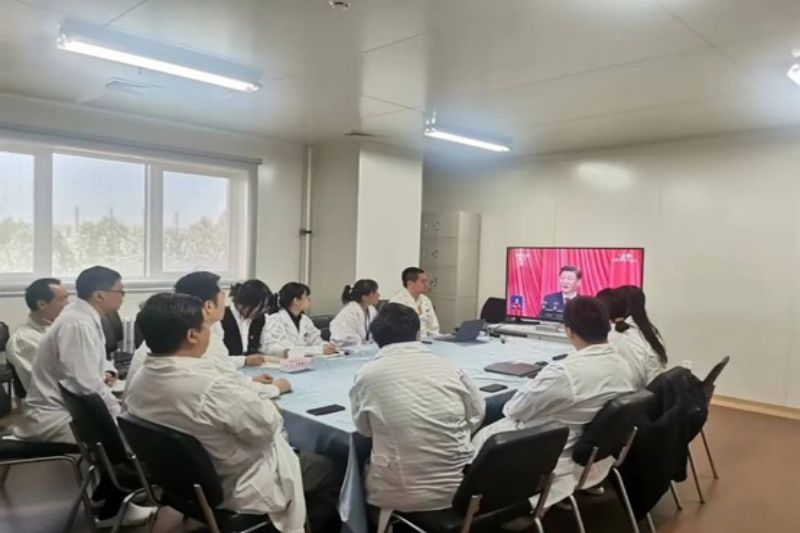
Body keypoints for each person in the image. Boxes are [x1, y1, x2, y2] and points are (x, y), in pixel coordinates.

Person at [126, 293, 342, 532]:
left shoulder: (141, 379)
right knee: (328, 467)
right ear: (192, 335)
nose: (210, 333)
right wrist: (268, 404)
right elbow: (266, 428)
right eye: (206, 326)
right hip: (235, 485)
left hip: (179, 483)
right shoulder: (209, 386)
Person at [11, 266, 154, 526]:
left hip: (67, 410)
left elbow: (94, 368)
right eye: (120, 291)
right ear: (100, 295)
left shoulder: (81, 317)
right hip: (54, 416)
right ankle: (114, 509)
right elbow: (86, 386)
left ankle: (106, 497)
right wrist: (119, 415)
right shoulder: (77, 322)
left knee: (126, 428)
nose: (123, 296)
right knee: (132, 437)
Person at [472, 296, 635, 508]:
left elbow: (514, 410)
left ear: (569, 331)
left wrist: (537, 385)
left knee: (485, 410)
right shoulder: (623, 365)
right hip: (587, 450)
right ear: (607, 327)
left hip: (545, 452)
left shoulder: (564, 373)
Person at [349, 303, 485, 513]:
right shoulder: (450, 368)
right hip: (461, 488)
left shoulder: (367, 375)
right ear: (418, 333)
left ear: (376, 338)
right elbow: (477, 414)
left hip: (402, 491)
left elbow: (364, 430)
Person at [124, 272, 287, 399]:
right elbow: (230, 392)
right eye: (222, 294)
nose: (226, 299)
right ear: (209, 306)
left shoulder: (165, 335)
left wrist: (248, 380)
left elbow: (222, 371)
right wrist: (275, 388)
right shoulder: (199, 341)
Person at [6, 278, 69, 392]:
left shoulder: (63, 328)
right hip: (55, 399)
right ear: (42, 304)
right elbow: (48, 382)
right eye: (62, 299)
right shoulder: (23, 341)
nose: (68, 304)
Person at [598, 286, 667, 388]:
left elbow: (634, 380)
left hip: (641, 394)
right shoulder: (649, 330)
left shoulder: (622, 336)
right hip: (652, 391)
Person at [260, 282, 337, 356]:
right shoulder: (274, 320)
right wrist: (318, 350)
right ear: (296, 301)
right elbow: (286, 349)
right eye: (307, 297)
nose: (309, 300)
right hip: (281, 361)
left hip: (303, 359)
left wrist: (326, 346)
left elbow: (316, 340)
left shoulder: (305, 320)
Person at [221, 279, 272, 356]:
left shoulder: (259, 319)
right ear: (243, 302)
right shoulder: (222, 318)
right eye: (258, 307)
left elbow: (264, 346)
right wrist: (245, 360)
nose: (260, 312)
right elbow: (220, 356)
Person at [389, 267, 440, 338]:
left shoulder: (426, 300)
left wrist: (433, 340)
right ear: (410, 283)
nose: (427, 284)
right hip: (406, 342)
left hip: (427, 341)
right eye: (423, 281)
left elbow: (434, 327)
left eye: (427, 281)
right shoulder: (396, 302)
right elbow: (395, 331)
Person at [329, 279, 379, 347]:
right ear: (364, 297)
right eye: (375, 292)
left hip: (365, 349)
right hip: (345, 349)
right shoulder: (347, 314)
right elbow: (345, 339)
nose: (378, 295)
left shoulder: (371, 310)